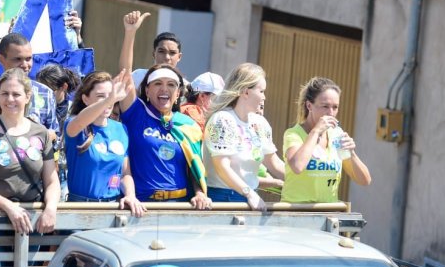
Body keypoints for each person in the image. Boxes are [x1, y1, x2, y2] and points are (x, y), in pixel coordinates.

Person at [118, 11, 211, 209]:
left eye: (171, 85)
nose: (164, 89)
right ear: (147, 90)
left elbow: (194, 166)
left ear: (178, 93)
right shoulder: (137, 115)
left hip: (180, 206)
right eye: (158, 83)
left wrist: (200, 193)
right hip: (141, 206)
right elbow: (124, 75)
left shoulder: (188, 125)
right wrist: (130, 33)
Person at [0, 68, 59, 234]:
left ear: (27, 97)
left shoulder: (41, 132)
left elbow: (52, 181)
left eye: (16, 94)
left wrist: (50, 210)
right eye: (4, 94)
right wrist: (9, 207)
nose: (10, 99)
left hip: (32, 220)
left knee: (30, 262)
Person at [202, 63, 285, 210]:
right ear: (246, 92)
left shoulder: (260, 123)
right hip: (222, 197)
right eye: (261, 91)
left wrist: (302, 181)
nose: (264, 97)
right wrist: (249, 194)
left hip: (249, 196)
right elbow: (222, 166)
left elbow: (274, 163)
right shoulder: (221, 119)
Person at [65, 70, 144, 215]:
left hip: (113, 207)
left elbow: (125, 173)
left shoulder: (120, 129)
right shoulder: (75, 124)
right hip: (80, 208)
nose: (108, 102)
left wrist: (130, 196)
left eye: (111, 96)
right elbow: (80, 121)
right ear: (85, 99)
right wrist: (109, 100)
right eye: (100, 96)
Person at [281, 77, 371, 203]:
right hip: (297, 212)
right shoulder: (293, 134)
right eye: (325, 106)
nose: (331, 113)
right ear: (309, 105)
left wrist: (352, 154)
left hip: (327, 213)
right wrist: (316, 132)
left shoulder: (337, 135)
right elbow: (297, 166)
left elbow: (364, 180)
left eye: (335, 107)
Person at [0, 33, 58, 140]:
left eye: (28, 59)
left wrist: (47, 135)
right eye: (17, 59)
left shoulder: (46, 93)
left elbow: (56, 137)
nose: (25, 65)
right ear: (1, 58)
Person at [35, 64, 81, 136]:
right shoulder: (34, 108)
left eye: (49, 90)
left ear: (64, 87)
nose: (44, 95)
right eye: (40, 90)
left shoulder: (74, 110)